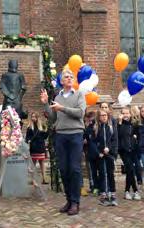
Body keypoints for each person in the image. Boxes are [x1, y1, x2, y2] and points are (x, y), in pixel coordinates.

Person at [40, 68, 86, 216]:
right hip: (60, 135)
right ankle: (68, 199)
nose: (69, 78)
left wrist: (63, 108)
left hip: (75, 135)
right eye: (66, 76)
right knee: (64, 169)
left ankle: (75, 202)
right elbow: (53, 118)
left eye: (71, 77)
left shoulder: (79, 95)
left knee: (74, 169)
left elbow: (80, 113)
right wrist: (46, 103)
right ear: (61, 81)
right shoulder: (57, 97)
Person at [117, 106, 141, 201]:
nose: (125, 115)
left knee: (130, 170)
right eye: (123, 113)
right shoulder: (119, 123)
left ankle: (127, 191)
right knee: (130, 169)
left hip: (133, 150)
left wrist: (135, 138)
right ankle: (135, 191)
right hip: (124, 150)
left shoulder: (134, 124)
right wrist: (119, 123)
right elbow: (118, 135)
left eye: (127, 113)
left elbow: (138, 135)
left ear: (130, 114)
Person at [95, 110, 118, 206]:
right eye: (102, 115)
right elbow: (94, 142)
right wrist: (99, 152)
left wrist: (110, 149)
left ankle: (112, 194)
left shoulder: (111, 127)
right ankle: (103, 194)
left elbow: (115, 140)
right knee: (102, 174)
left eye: (105, 115)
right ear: (99, 117)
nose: (104, 117)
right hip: (101, 155)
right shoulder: (97, 128)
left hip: (110, 154)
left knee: (110, 173)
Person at [25, 112, 49, 184]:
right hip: (33, 148)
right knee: (33, 164)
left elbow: (44, 136)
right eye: (32, 117)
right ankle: (33, 180)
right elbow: (27, 138)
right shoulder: (29, 127)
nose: (33, 118)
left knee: (42, 163)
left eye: (35, 117)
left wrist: (47, 130)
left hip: (41, 147)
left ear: (37, 118)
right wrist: (28, 141)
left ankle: (44, 179)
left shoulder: (41, 126)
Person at [130, 105, 143, 188]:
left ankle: (138, 178)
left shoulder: (133, 122)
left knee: (135, 162)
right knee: (137, 161)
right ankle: (139, 179)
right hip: (139, 144)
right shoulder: (139, 122)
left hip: (134, 144)